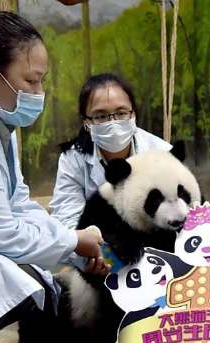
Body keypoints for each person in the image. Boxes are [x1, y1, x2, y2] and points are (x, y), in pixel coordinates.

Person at [0, 12, 103, 343]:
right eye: (31, 81)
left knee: (30, 276)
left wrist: (72, 245)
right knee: (10, 276)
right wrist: (75, 243)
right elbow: (6, 234)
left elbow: (19, 203)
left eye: (41, 81)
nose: (38, 93)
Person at [50, 73, 172, 275]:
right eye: (101, 116)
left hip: (155, 257)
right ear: (87, 122)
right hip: (95, 253)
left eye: (121, 112)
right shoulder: (73, 159)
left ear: (133, 114)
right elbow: (67, 217)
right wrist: (92, 254)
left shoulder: (162, 153)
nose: (113, 122)